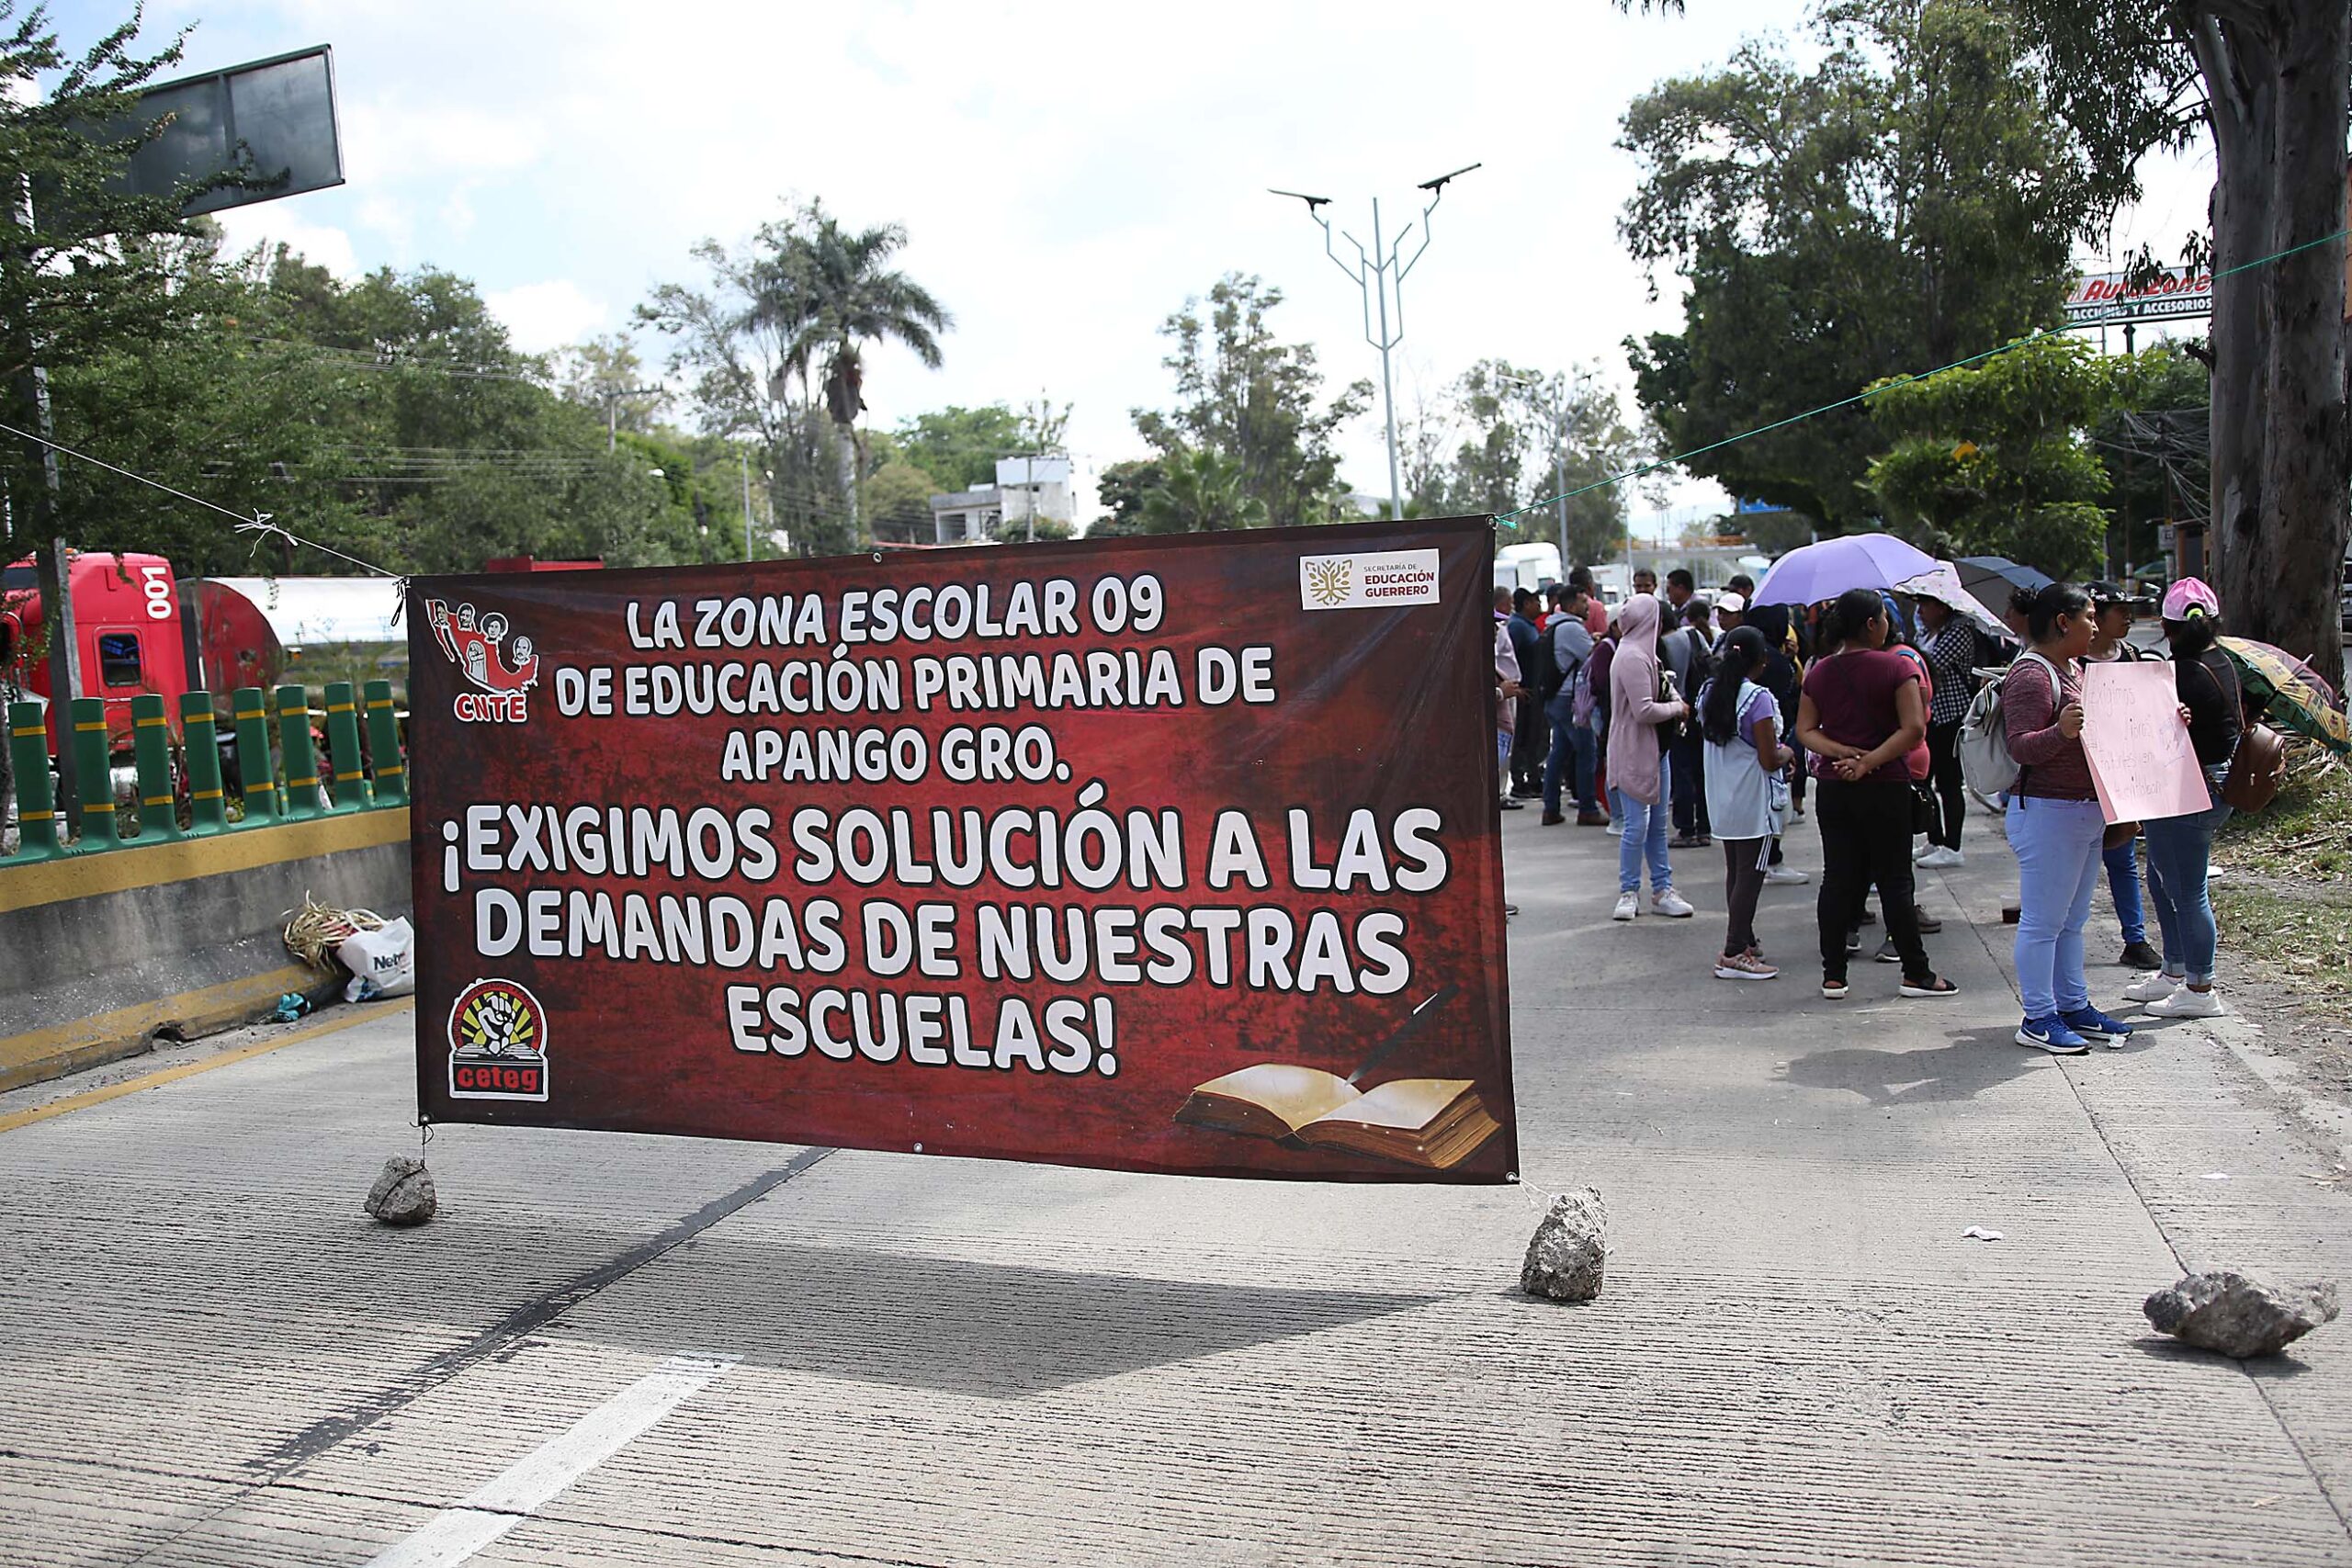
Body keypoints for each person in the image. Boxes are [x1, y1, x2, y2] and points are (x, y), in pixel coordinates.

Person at [1795, 588, 1958, 1001]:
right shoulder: (1895, 667)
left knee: (1837, 879)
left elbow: (1806, 731)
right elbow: (1914, 729)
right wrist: (1868, 762)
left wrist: (1842, 754)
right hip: (1885, 787)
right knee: (1895, 882)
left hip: (1834, 788)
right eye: (1884, 618)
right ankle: (1916, 973)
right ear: (1872, 624)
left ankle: (1834, 975)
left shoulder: (1819, 672)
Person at [2001, 582, 2138, 1054]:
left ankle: (2073, 1005)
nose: (2097, 626)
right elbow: (2018, 745)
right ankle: (2038, 1017)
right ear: (2064, 621)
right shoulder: (2032, 675)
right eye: (2090, 617)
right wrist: (2060, 733)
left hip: (2082, 811)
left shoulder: (2075, 669)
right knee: (2043, 922)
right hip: (2047, 812)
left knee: (2073, 920)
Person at [2127, 579, 2242, 1018]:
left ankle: (2200, 988)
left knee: (2187, 890)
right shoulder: (2223, 661)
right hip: (2210, 784)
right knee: (2161, 877)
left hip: (2190, 787)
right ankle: (2174, 972)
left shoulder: (2179, 673)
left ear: (2165, 625)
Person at [2081, 583, 2165, 971]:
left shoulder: (2131, 656)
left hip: (2121, 776)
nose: (2129, 618)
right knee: (2074, 863)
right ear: (2095, 614)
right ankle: (2062, 938)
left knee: (2123, 858)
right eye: (2121, 610)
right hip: (2079, 780)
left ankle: (2135, 937)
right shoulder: (2071, 662)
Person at [1699, 626, 1790, 979]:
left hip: (1722, 797)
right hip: (1754, 800)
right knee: (1751, 876)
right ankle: (1734, 950)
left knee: (1736, 872)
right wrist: (1788, 752)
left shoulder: (1710, 692)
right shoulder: (1758, 698)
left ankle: (1744, 938)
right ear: (1761, 661)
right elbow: (1769, 758)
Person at [1607, 593, 1696, 921]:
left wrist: (1674, 699)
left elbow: (1661, 690)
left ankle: (1662, 888)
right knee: (1637, 825)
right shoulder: (1632, 656)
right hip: (1634, 748)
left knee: (1656, 825)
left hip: (1654, 749)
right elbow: (1644, 710)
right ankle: (1629, 891)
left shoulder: (1645, 654)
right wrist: (1678, 708)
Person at [1743, 602, 1811, 886]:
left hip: (1743, 751)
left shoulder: (1746, 654)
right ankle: (1772, 861)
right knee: (1773, 807)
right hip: (1772, 742)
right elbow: (1787, 700)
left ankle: (1762, 860)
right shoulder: (1774, 662)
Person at [1913, 595, 1976, 867]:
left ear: (1941, 606)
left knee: (1949, 783)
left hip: (1950, 716)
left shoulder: (1959, 631)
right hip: (1929, 716)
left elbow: (1926, 665)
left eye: (1925, 605)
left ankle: (1953, 846)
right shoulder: (1926, 631)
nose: (1920, 611)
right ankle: (1935, 838)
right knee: (1924, 781)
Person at [1539, 583, 1603, 826]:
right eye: (1584, 602)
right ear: (1572, 605)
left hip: (1554, 698)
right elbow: (1591, 657)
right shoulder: (1571, 628)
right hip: (1568, 700)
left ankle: (1551, 807)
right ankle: (1587, 808)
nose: (1588, 607)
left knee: (1559, 752)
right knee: (1587, 752)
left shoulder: (1554, 625)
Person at [1664, 598, 1715, 848]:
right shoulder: (1695, 635)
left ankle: (1685, 828)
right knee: (1701, 771)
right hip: (1702, 710)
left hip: (1677, 713)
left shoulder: (1660, 645)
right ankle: (1705, 827)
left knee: (1681, 772)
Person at [1506, 588, 1545, 800]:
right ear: (1527, 603)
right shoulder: (1517, 627)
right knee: (1522, 737)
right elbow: (1507, 659)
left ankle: (1533, 778)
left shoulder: (1528, 626)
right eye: (1536, 601)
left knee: (1533, 737)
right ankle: (1520, 782)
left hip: (1533, 691)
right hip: (1524, 692)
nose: (1539, 605)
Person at [1493, 611, 1525, 812]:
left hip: (1502, 732)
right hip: (1496, 732)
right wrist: (1500, 692)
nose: (1497, 631)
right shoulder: (1473, 660)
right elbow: (1470, 696)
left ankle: (1500, 794)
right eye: (1492, 626)